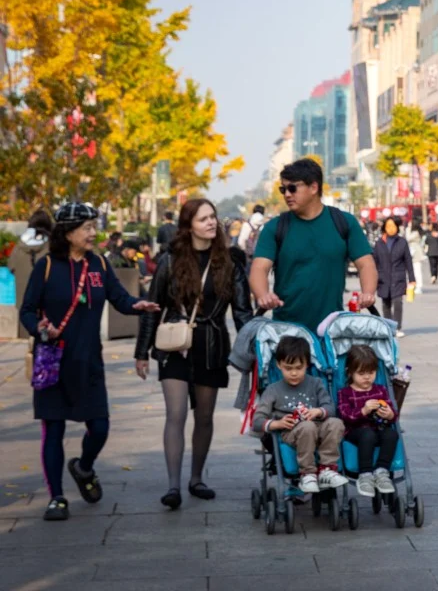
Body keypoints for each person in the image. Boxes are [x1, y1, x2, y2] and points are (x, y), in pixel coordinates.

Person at [20, 203, 160, 521]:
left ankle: (84, 468)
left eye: (93, 226)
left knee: (99, 427)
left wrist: (137, 305)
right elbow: (27, 310)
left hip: (88, 362)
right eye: (87, 228)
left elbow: (119, 298)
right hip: (53, 361)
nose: (93, 233)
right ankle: (56, 498)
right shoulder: (46, 266)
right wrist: (40, 328)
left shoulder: (99, 264)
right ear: (68, 233)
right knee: (53, 429)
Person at [134, 199, 253, 508]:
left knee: (204, 416)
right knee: (175, 414)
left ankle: (196, 478)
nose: (211, 222)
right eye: (203, 219)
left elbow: (242, 312)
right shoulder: (170, 260)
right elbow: (153, 307)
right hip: (174, 345)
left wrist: (254, 349)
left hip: (211, 346)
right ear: (188, 227)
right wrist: (141, 352)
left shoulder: (229, 262)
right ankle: (173, 486)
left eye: (213, 217)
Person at [249, 159, 377, 333]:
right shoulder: (275, 227)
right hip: (287, 331)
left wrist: (368, 293)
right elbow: (259, 268)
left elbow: (366, 264)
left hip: (332, 330)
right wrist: (263, 295)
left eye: (292, 188)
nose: (287, 194)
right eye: (283, 189)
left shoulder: (344, 222)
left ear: (314, 187)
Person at [250, 336, 347, 493]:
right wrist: (277, 423)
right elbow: (257, 421)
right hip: (290, 432)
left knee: (336, 423)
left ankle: (327, 469)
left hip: (317, 426)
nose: (294, 373)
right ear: (279, 365)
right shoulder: (273, 390)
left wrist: (318, 411)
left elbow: (330, 407)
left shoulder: (315, 383)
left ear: (307, 364)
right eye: (288, 368)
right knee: (307, 427)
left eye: (298, 368)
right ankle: (307, 473)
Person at [337, 344, 399, 497]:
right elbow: (345, 415)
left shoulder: (380, 390)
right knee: (367, 434)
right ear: (350, 372)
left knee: (392, 434)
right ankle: (365, 474)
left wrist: (389, 414)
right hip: (355, 431)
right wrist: (363, 411)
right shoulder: (345, 393)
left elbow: (393, 414)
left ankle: (381, 471)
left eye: (371, 373)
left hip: (378, 428)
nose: (367, 377)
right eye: (361, 373)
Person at [11, 209, 53, 341]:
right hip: (47, 302)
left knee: (27, 337)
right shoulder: (52, 245)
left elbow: (11, 266)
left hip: (24, 301)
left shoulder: (19, 246)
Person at [372, 216, 415, 338]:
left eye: (393, 226)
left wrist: (412, 279)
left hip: (398, 277)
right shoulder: (379, 243)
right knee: (386, 304)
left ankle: (397, 327)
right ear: (384, 228)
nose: (391, 228)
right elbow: (374, 262)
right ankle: (388, 327)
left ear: (397, 227)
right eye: (388, 226)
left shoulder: (402, 242)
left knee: (397, 302)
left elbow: (408, 261)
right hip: (383, 278)